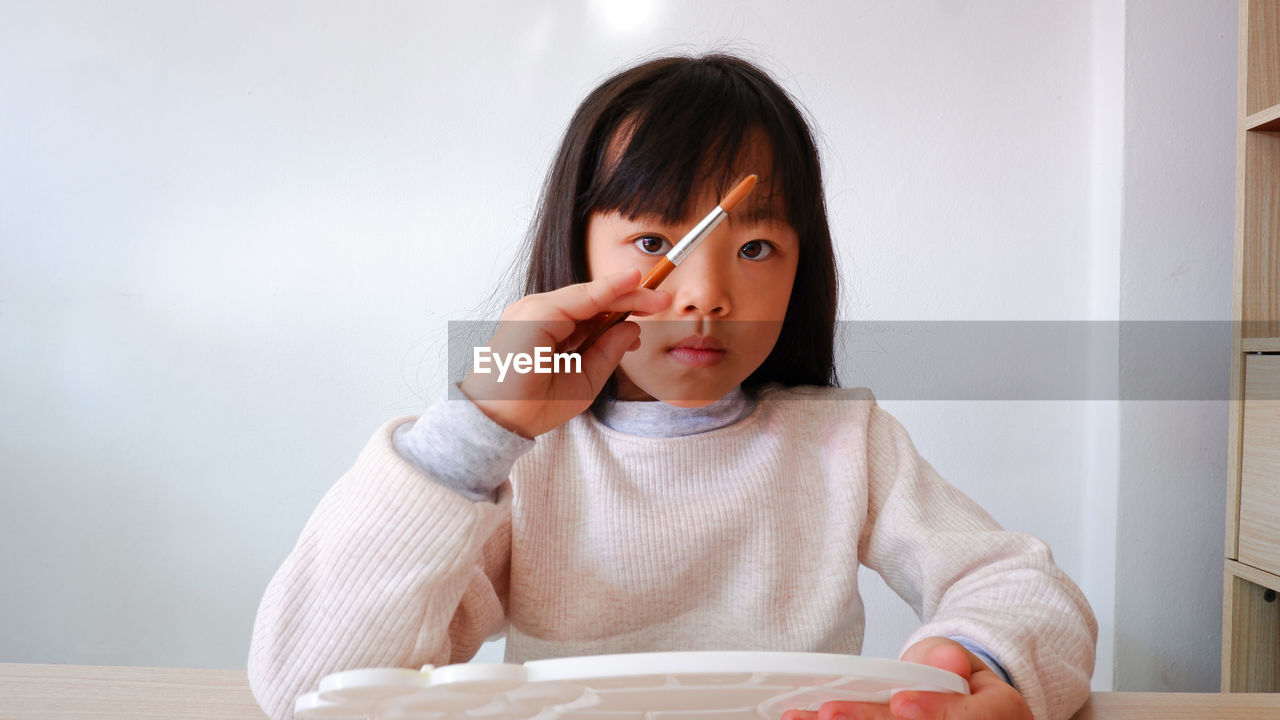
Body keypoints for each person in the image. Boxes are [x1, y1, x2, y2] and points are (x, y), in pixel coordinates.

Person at [247, 53, 1096, 720]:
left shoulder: (844, 441)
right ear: (578, 252)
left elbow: (1022, 588)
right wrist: (479, 429)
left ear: (804, 269)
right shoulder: (524, 463)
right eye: (656, 242)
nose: (705, 293)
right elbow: (307, 688)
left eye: (756, 248)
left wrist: (974, 660)